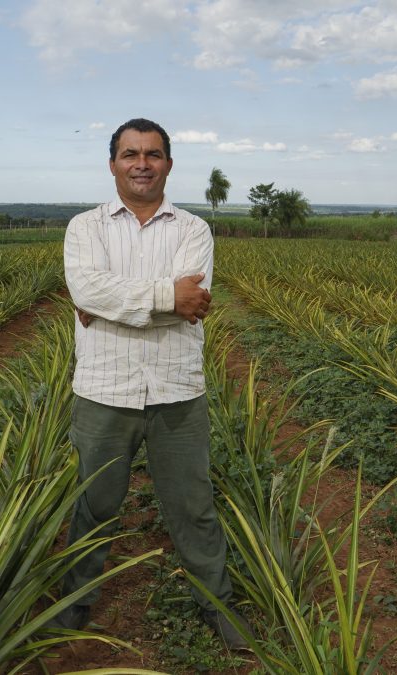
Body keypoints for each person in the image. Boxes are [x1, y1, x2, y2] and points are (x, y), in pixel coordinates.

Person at [54, 118, 251, 650]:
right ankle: (75, 604)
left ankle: (218, 605)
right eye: (130, 154)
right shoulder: (85, 227)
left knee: (193, 505)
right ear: (113, 163)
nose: (142, 163)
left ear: (168, 163)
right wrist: (166, 297)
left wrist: (111, 303)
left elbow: (192, 303)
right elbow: (90, 287)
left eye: (153, 154)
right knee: (93, 505)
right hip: (104, 392)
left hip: (177, 392)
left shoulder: (193, 230)